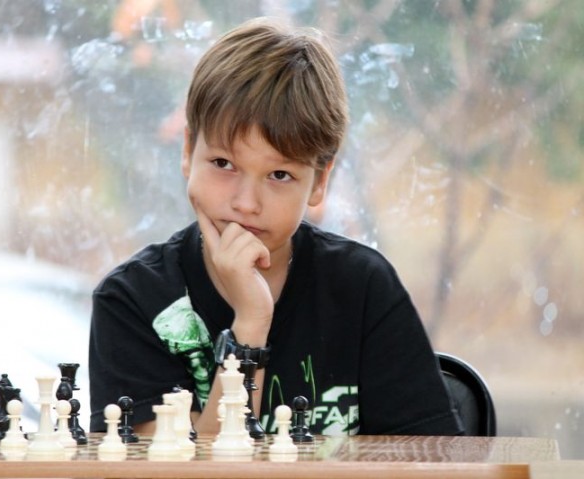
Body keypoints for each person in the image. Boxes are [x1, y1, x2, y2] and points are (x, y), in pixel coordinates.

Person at [89, 17, 463, 436]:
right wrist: (251, 322)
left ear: (319, 182)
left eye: (279, 175)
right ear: (188, 151)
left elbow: (434, 458)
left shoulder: (363, 288)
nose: (246, 203)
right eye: (223, 163)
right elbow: (191, 466)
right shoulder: (133, 301)